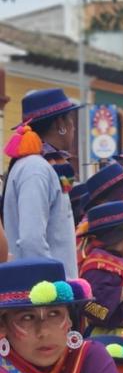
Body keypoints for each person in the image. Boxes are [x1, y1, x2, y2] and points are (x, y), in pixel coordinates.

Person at [2, 88, 83, 273]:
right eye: (70, 119)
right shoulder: (36, 168)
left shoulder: (39, 165)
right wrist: (50, 291)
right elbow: (32, 240)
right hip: (46, 294)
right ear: (60, 123)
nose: (73, 126)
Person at [78, 202, 123, 333]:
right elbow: (90, 308)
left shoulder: (118, 259)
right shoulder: (96, 267)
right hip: (108, 338)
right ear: (122, 236)